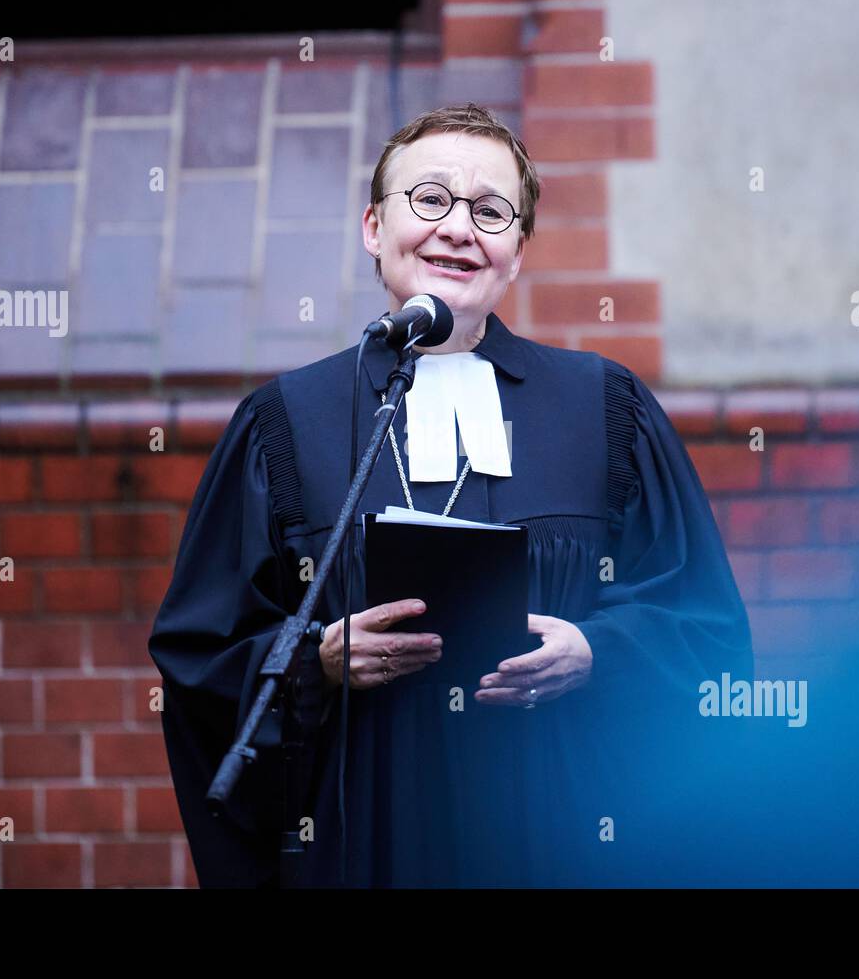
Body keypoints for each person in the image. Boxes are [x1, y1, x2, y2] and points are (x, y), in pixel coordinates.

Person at [147, 103, 753, 888]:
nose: (458, 228)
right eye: (429, 199)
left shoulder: (604, 409)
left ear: (518, 251)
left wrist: (599, 651)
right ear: (373, 226)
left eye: (491, 211)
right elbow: (201, 659)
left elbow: (705, 627)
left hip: (559, 838)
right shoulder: (285, 425)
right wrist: (315, 662)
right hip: (367, 838)